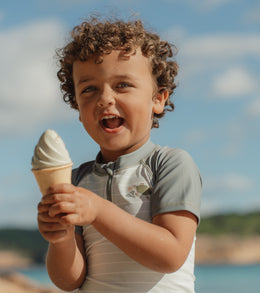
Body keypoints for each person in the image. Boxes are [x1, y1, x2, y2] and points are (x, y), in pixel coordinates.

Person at [37, 16, 202, 293]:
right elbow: (68, 280)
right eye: (88, 89)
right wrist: (61, 238)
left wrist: (97, 211)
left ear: (158, 99)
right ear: (77, 107)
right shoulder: (77, 180)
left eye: (123, 85)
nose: (104, 98)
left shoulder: (170, 164)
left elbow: (171, 255)